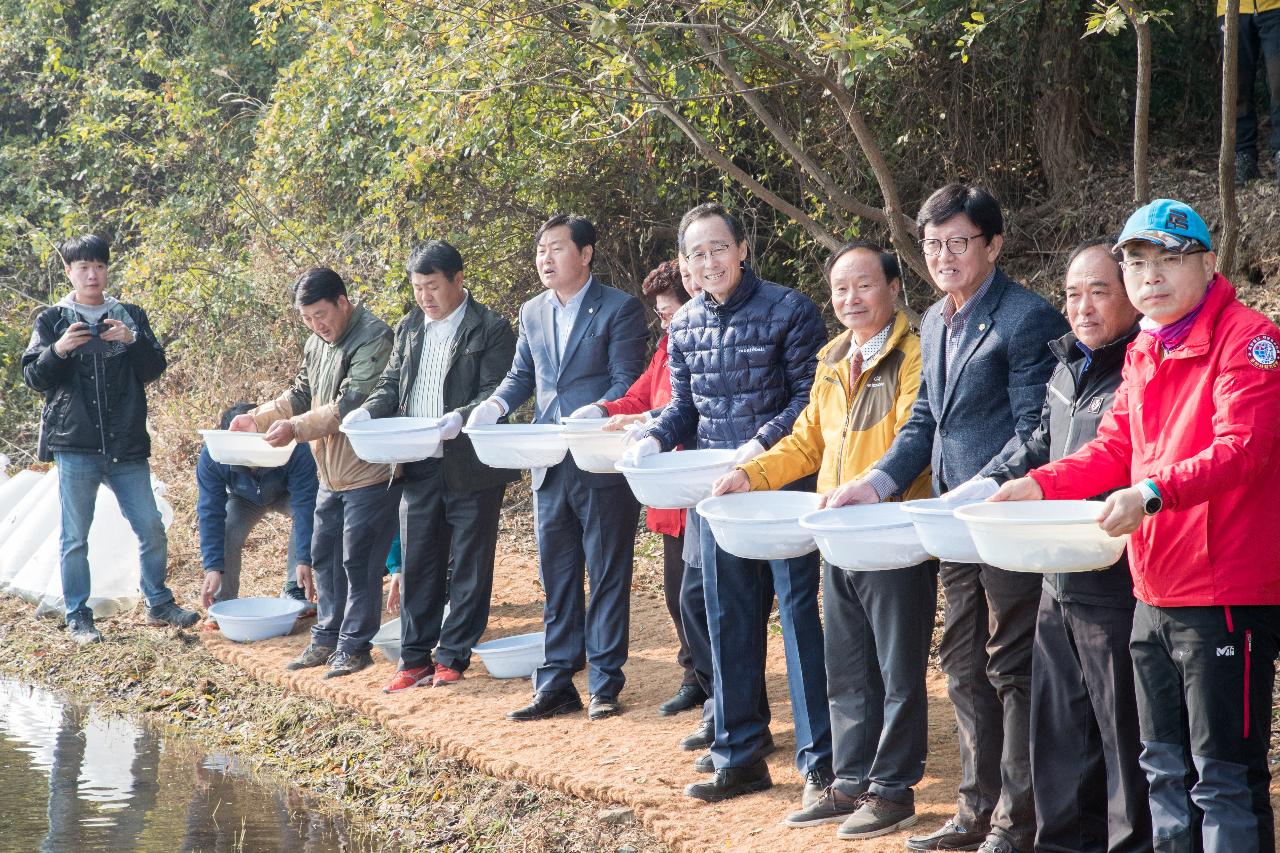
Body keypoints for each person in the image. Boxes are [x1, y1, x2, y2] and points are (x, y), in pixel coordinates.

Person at [993, 199, 1280, 853]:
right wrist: (1037, 482)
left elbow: (1245, 448)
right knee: (1163, 769)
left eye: (1169, 259)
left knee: (1223, 779)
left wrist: (1152, 494)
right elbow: (1112, 447)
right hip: (1151, 587)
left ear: (1208, 263)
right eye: (1137, 262)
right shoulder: (1146, 346)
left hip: (1223, 592)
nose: (1150, 276)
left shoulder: (1250, 337)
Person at [827, 185, 1069, 853]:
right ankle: (972, 810)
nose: (945, 255)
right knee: (962, 664)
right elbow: (924, 422)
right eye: (934, 244)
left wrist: (982, 486)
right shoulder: (934, 321)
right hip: (953, 526)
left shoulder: (1026, 318)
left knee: (1011, 668)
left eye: (959, 242)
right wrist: (875, 482)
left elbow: (1037, 431)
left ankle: (1016, 823)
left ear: (993, 243)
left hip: (1005, 521)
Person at [711, 241, 935, 837]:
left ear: (892, 288)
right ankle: (849, 781)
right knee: (847, 665)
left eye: (863, 285)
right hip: (836, 532)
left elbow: (915, 436)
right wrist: (748, 474)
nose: (851, 299)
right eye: (840, 289)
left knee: (897, 668)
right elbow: (808, 440)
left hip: (890, 531)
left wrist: (873, 488)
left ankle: (893, 790)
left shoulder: (914, 350)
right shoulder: (834, 358)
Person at [625, 202, 832, 805]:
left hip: (784, 484)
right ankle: (740, 756)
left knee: (797, 621)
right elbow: (684, 409)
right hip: (718, 493)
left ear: (743, 248)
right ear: (684, 263)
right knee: (727, 622)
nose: (708, 261)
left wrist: (757, 448)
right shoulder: (684, 324)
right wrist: (654, 437)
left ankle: (819, 763)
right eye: (696, 252)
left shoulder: (791, 310)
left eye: (719, 247)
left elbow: (806, 401)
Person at [972, 238, 1151, 852]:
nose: (1083, 306)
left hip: (1115, 581)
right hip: (1056, 578)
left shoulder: (1142, 368)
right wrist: (986, 485)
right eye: (1073, 293)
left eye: (1099, 291)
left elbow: (1117, 462)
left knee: (1120, 738)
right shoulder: (1065, 366)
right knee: (1058, 736)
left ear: (1131, 294)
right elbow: (1039, 446)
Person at [468, 213, 647, 721]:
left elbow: (628, 382)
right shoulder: (532, 312)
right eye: (541, 250)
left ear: (585, 254)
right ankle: (556, 681)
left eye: (557, 249)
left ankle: (605, 682)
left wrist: (599, 411)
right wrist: (495, 406)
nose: (545, 259)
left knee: (608, 569)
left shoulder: (619, 309)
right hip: (548, 460)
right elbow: (522, 375)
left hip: (598, 456)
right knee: (559, 573)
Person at [343, 239, 518, 692]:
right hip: (418, 462)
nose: (425, 297)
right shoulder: (409, 328)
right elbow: (389, 385)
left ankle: (453, 655)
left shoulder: (491, 328)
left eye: (433, 286)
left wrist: (460, 417)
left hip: (471, 465)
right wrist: (368, 411)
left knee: (469, 565)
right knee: (419, 562)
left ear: (458, 281)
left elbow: (498, 390)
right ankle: (414, 658)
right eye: (418, 287)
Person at [21, 234, 199, 644]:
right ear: (69, 272)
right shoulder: (52, 319)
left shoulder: (129, 314)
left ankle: (157, 601)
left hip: (126, 443)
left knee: (151, 526)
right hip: (76, 443)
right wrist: (60, 349)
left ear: (106, 269)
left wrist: (131, 341)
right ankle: (78, 614)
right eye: (82, 267)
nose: (91, 273)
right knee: (74, 536)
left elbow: (154, 368)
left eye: (98, 265)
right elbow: (33, 377)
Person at [231, 268, 398, 679]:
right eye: (306, 318)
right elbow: (300, 393)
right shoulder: (315, 343)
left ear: (343, 302)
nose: (316, 325)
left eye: (320, 314)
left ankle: (355, 647)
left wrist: (295, 430)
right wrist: (256, 418)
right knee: (324, 556)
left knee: (359, 562)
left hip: (368, 471)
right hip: (329, 472)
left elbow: (351, 404)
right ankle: (325, 638)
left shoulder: (374, 336)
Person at [571, 259, 705, 716]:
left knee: (699, 593)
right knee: (676, 591)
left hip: (696, 482)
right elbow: (642, 394)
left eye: (670, 312)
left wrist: (648, 421)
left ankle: (706, 679)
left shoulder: (704, 343)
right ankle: (694, 674)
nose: (663, 321)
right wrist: (604, 410)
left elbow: (688, 409)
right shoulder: (667, 347)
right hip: (666, 488)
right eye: (661, 313)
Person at [197, 402, 319, 620]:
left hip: (286, 493)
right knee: (229, 530)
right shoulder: (213, 456)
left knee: (316, 515)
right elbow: (210, 512)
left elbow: (305, 505)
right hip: (243, 497)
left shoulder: (295, 447)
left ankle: (295, 589)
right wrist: (212, 566)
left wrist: (304, 560)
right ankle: (224, 602)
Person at [1219, 0, 1280, 186]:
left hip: (1275, 7)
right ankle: (1243, 156)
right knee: (1236, 88)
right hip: (1231, 9)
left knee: (1278, 83)